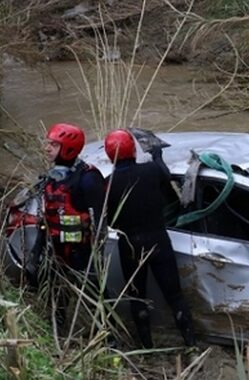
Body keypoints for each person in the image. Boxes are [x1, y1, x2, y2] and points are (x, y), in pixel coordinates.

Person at [104, 128, 195, 348]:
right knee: (175, 296)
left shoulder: (107, 183)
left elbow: (108, 221)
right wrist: (157, 154)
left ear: (109, 155)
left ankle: (146, 348)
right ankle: (191, 344)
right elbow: (168, 184)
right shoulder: (152, 170)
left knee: (138, 298)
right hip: (158, 239)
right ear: (134, 150)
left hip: (130, 246)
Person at [41, 122, 107, 328]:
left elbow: (101, 219)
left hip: (82, 252)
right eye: (48, 143)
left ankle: (107, 336)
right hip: (57, 250)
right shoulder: (55, 177)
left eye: (54, 144)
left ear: (68, 149)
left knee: (95, 295)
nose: (47, 148)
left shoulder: (88, 179)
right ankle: (57, 330)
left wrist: (98, 254)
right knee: (57, 293)